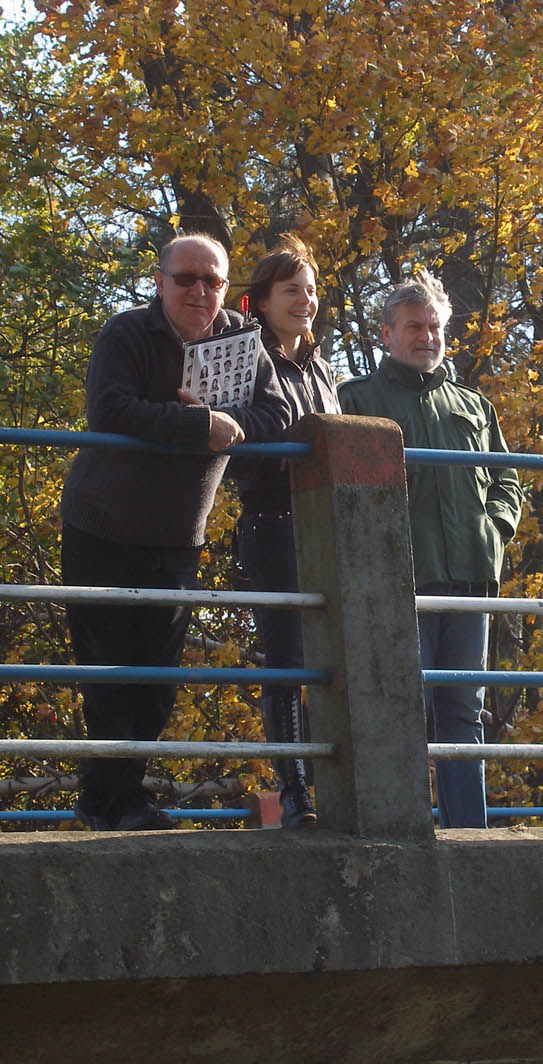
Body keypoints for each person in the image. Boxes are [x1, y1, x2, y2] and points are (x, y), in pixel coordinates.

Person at [60, 233, 287, 831]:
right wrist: (195, 424)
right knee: (109, 678)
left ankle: (111, 800)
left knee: (157, 684)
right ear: (159, 282)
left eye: (212, 280)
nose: (199, 290)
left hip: (177, 538)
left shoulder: (243, 344)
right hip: (102, 528)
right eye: (186, 278)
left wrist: (224, 424)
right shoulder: (127, 334)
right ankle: (115, 804)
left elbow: (277, 413)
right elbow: (110, 410)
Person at [338, 270, 523, 829]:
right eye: (414, 326)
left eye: (435, 326)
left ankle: (470, 832)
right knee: (401, 708)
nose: (427, 336)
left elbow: (507, 479)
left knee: (464, 712)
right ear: (387, 333)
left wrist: (495, 531)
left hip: (469, 578)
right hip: (398, 582)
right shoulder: (356, 399)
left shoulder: (474, 404)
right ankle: (404, 830)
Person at [227, 234, 340, 828]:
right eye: (291, 290)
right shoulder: (248, 359)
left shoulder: (322, 365)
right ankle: (295, 795)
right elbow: (236, 451)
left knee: (335, 656)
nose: (306, 300)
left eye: (312, 290)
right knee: (287, 659)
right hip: (272, 522)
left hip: (328, 529)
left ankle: (335, 787)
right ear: (262, 301)